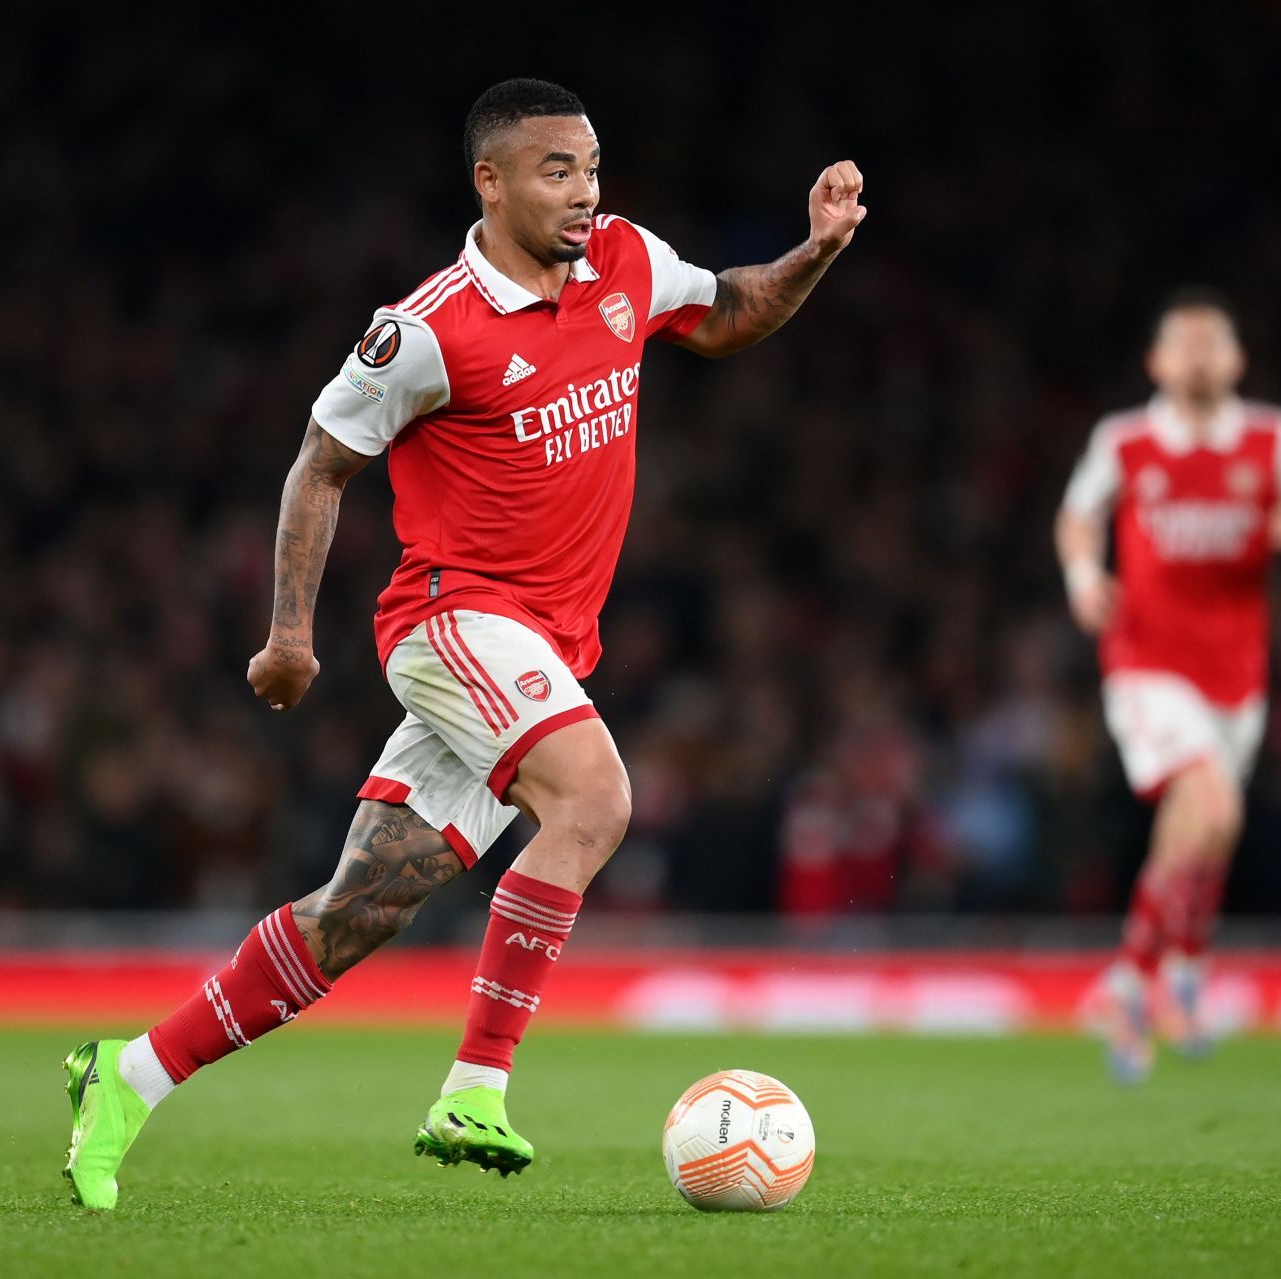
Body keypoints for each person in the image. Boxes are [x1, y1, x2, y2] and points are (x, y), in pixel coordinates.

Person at [61, 77, 865, 1209]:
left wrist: (816, 250)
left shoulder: (627, 263)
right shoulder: (429, 328)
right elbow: (320, 461)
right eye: (555, 172)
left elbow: (728, 311)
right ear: (489, 181)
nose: (585, 193)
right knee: (594, 803)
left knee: (363, 905)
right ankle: (476, 1087)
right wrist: (288, 634)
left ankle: (126, 1077)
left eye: (590, 168)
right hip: (451, 619)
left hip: (542, 644)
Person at [1054, 289, 1281, 1084]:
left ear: (1237, 360)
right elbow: (1077, 516)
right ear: (1155, 362)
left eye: (1212, 341)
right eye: (1181, 342)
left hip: (1236, 676)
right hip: (1146, 663)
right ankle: (1136, 983)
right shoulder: (1124, 442)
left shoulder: (1272, 438)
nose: (1196, 355)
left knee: (1204, 828)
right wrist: (1084, 576)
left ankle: (1171, 972)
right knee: (1213, 802)